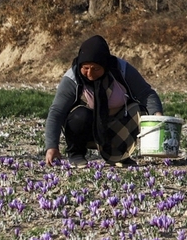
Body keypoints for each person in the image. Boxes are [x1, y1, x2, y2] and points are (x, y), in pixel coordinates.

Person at [45, 35, 164, 167]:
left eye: (96, 69)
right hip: (87, 126)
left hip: (116, 123)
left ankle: (120, 154)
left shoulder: (122, 70)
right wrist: (51, 147)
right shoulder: (72, 78)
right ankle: (76, 153)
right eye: (86, 68)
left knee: (138, 109)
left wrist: (157, 115)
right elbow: (56, 112)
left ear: (105, 65)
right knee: (79, 116)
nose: (90, 74)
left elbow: (146, 93)